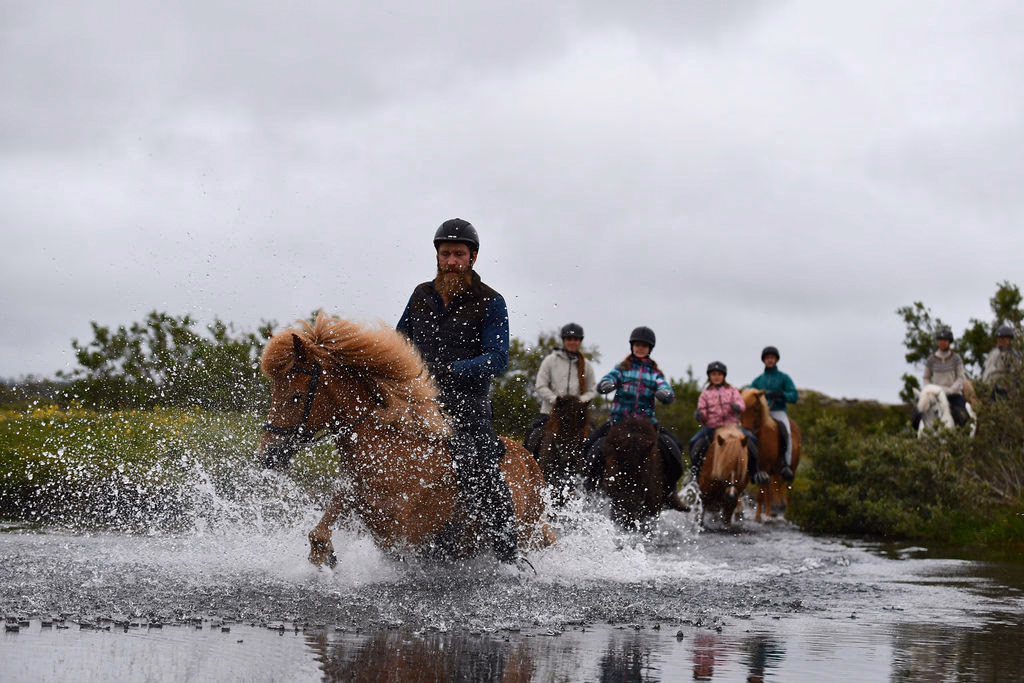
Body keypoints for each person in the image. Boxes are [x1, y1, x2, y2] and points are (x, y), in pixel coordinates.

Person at [396, 218, 519, 564]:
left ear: (472, 257)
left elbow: (498, 358)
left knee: (483, 473)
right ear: (437, 256)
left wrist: (454, 369)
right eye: (445, 254)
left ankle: (509, 558)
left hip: (466, 407)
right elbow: (398, 341)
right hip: (416, 402)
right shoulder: (420, 295)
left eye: (459, 255)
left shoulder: (492, 301)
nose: (451, 261)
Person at [586, 326, 683, 495]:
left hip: (646, 426)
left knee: (674, 448)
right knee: (590, 445)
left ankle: (669, 492)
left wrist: (665, 394)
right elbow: (605, 382)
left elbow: (667, 391)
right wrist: (606, 385)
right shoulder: (622, 369)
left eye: (644, 346)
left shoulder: (655, 374)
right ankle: (589, 488)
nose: (640, 348)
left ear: (649, 349)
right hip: (619, 423)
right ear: (632, 346)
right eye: (637, 345)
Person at [688, 361, 769, 485]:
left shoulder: (732, 391)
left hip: (732, 427)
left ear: (724, 376)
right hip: (712, 427)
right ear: (709, 376)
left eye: (719, 374)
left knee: (752, 440)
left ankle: (755, 473)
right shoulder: (705, 394)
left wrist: (737, 407)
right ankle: (694, 475)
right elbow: (702, 410)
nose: (716, 377)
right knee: (694, 442)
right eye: (713, 374)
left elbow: (742, 405)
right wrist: (700, 415)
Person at [525, 323, 598, 454]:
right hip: (550, 413)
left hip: (577, 417)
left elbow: (592, 390)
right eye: (569, 339)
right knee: (532, 434)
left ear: (580, 341)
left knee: (594, 440)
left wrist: (579, 402)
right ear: (564, 340)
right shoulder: (550, 361)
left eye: (576, 339)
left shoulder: (586, 365)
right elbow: (540, 385)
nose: (572, 342)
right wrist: (556, 400)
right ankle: (527, 463)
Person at [750, 346, 798, 482]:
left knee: (786, 431)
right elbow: (750, 393)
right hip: (761, 413)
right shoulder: (758, 380)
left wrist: (782, 395)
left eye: (772, 358)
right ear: (763, 360)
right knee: (747, 432)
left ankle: (786, 465)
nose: (770, 360)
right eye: (767, 358)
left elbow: (794, 396)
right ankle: (751, 467)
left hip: (777, 411)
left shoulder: (784, 378)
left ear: (776, 360)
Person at [916, 328, 970, 427]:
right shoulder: (931, 359)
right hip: (935, 396)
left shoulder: (956, 358)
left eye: (945, 340)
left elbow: (960, 377)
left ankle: (963, 436)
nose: (942, 342)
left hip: (953, 395)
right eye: (940, 340)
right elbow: (926, 377)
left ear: (949, 342)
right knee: (916, 416)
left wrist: (951, 390)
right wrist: (929, 389)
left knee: (964, 416)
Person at [981, 324, 1019, 400]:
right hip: (985, 387)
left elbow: (1015, 375)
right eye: (999, 338)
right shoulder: (993, 352)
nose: (1000, 340)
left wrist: (1012, 392)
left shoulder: (1012, 355)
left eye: (1003, 338)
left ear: (1009, 339)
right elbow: (984, 368)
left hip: (1001, 390)